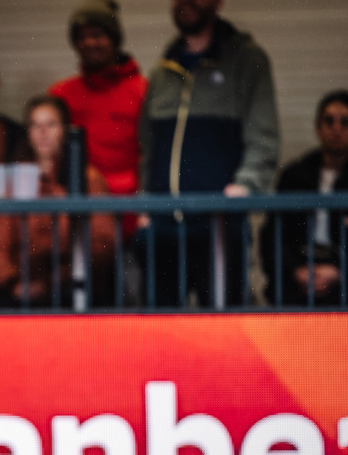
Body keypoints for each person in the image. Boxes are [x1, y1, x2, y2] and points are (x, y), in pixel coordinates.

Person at [137, 0, 280, 307]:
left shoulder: (247, 60)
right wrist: (144, 204)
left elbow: (264, 136)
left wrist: (246, 186)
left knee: (226, 327)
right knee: (159, 329)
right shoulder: (162, 71)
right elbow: (148, 148)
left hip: (219, 226)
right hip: (163, 227)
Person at [0, 96, 116, 307]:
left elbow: (102, 244)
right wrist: (12, 282)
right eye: (35, 125)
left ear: (65, 130)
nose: (43, 132)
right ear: (27, 132)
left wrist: (52, 282)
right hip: (20, 290)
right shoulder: (15, 180)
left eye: (51, 124)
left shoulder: (88, 179)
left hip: (72, 287)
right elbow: (0, 243)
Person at [48, 0, 146, 241]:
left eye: (98, 35)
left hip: (130, 221)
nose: (89, 43)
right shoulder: (60, 95)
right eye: (82, 37)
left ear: (114, 40)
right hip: (77, 221)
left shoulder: (142, 91)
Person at [260, 90, 348, 306]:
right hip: (299, 271)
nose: (336, 129)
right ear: (318, 127)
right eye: (329, 121)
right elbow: (274, 234)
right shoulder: (295, 175)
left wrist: (340, 271)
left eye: (345, 122)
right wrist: (295, 270)